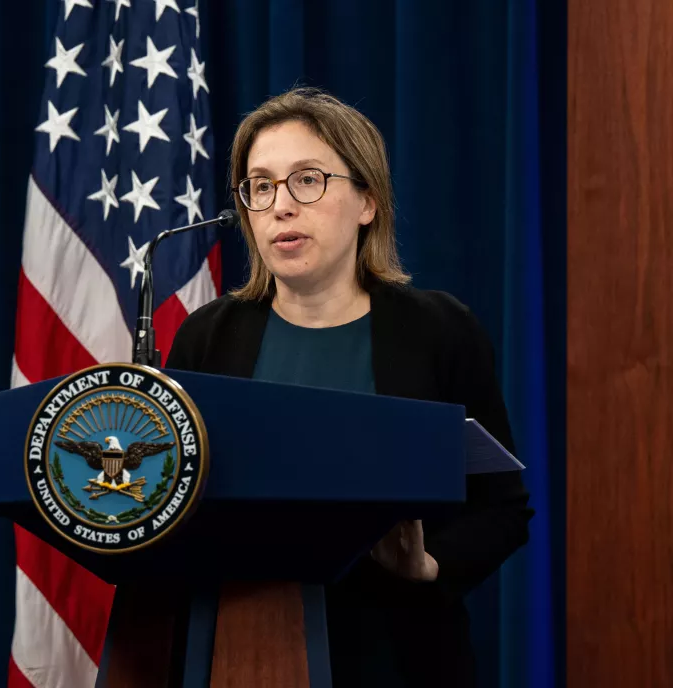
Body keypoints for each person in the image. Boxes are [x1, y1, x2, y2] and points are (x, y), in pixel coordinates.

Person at [165, 87, 533, 687]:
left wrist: (428, 565)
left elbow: (503, 509)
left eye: (306, 180)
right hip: (237, 647)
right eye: (260, 187)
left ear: (367, 199)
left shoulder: (439, 330)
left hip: (398, 651)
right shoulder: (208, 337)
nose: (280, 206)